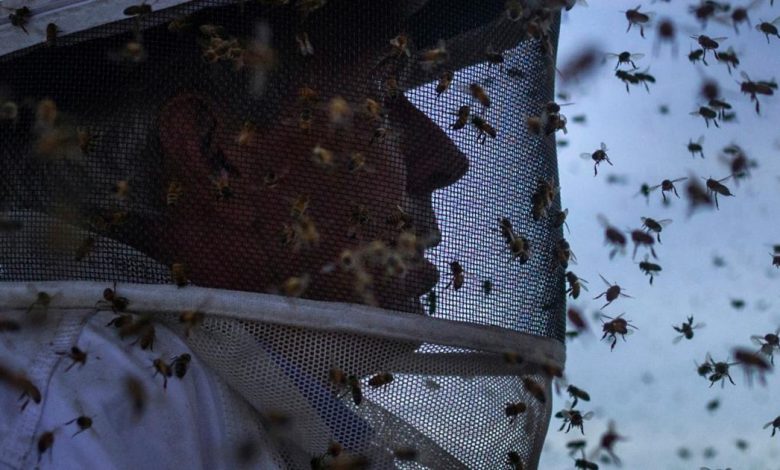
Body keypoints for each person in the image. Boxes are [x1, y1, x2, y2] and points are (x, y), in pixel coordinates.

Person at [0, 1, 564, 468]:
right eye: (382, 88)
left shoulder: (207, 400)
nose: (447, 158)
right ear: (217, 154)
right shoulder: (85, 406)